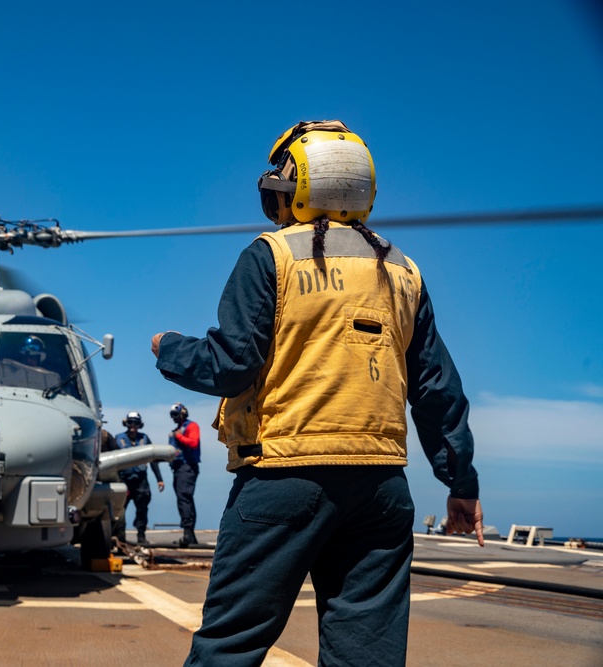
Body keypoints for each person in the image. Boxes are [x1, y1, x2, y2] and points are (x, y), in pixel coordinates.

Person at [151, 120, 484, 666]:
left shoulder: (271, 256)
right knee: (365, 655)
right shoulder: (403, 271)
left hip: (284, 477)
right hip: (380, 488)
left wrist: (169, 348)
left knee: (230, 645)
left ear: (295, 186)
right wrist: (461, 481)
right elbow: (436, 388)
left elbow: (231, 365)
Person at [114, 411, 165, 546]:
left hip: (141, 480)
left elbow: (153, 459)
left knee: (142, 509)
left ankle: (141, 536)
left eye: (136, 423)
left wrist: (159, 479)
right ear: (126, 423)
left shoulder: (145, 439)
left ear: (139, 425)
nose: (133, 425)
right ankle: (119, 538)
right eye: (130, 422)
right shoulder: (118, 438)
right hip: (123, 480)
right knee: (119, 510)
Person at [167, 402, 200, 547]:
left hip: (187, 467)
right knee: (184, 498)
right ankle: (190, 534)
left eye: (176, 414)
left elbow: (193, 443)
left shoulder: (191, 426)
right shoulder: (176, 430)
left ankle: (188, 533)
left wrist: (179, 437)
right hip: (179, 468)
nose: (174, 417)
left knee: (184, 498)